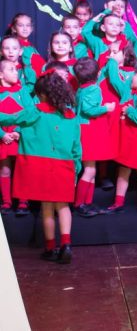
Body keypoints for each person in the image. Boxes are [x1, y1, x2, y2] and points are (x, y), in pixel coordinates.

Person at [0, 71, 81, 263]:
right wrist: (75, 170)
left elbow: (6, 119)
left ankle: (50, 248)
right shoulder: (71, 116)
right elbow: (77, 147)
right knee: (63, 206)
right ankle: (66, 244)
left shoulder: (34, 112)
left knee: (46, 207)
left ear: (42, 94)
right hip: (64, 165)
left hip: (40, 167)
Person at [102, 65, 137, 214]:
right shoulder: (128, 93)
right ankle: (118, 202)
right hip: (126, 138)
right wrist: (113, 60)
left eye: (133, 75)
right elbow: (115, 79)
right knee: (123, 169)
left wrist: (130, 111)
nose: (130, 78)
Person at [73, 58, 117, 217]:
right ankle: (80, 203)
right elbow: (89, 110)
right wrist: (106, 108)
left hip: (86, 129)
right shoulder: (93, 89)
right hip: (89, 130)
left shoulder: (81, 88)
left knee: (91, 169)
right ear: (97, 74)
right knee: (90, 170)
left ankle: (88, 202)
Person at [0, 60, 33, 216]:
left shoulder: (22, 91)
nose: (16, 72)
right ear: (1, 75)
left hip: (20, 136)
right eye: (11, 69)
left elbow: (30, 112)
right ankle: (6, 201)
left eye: (16, 69)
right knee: (4, 170)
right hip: (3, 137)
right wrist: (2, 134)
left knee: (22, 169)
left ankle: (23, 201)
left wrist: (19, 131)